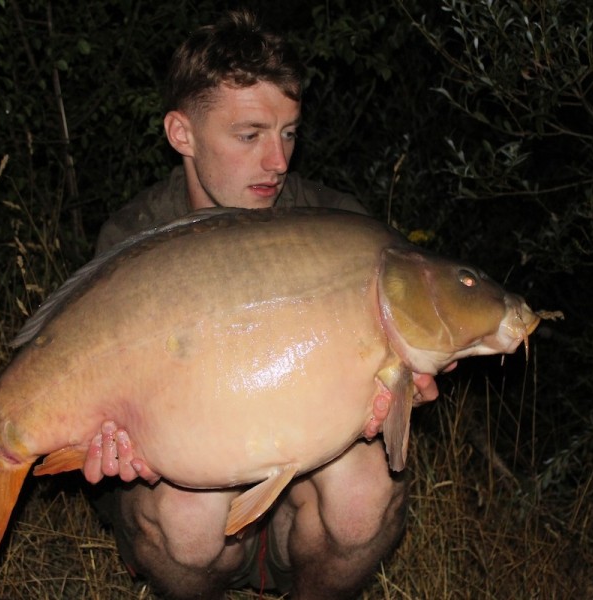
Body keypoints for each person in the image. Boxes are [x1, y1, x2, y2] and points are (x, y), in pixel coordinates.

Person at [80, 10, 444, 599]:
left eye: (289, 133)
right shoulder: (133, 239)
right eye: (249, 136)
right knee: (184, 526)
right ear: (183, 134)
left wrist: (403, 385)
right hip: (196, 504)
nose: (278, 162)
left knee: (362, 497)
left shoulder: (338, 226)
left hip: (296, 509)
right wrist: (115, 438)